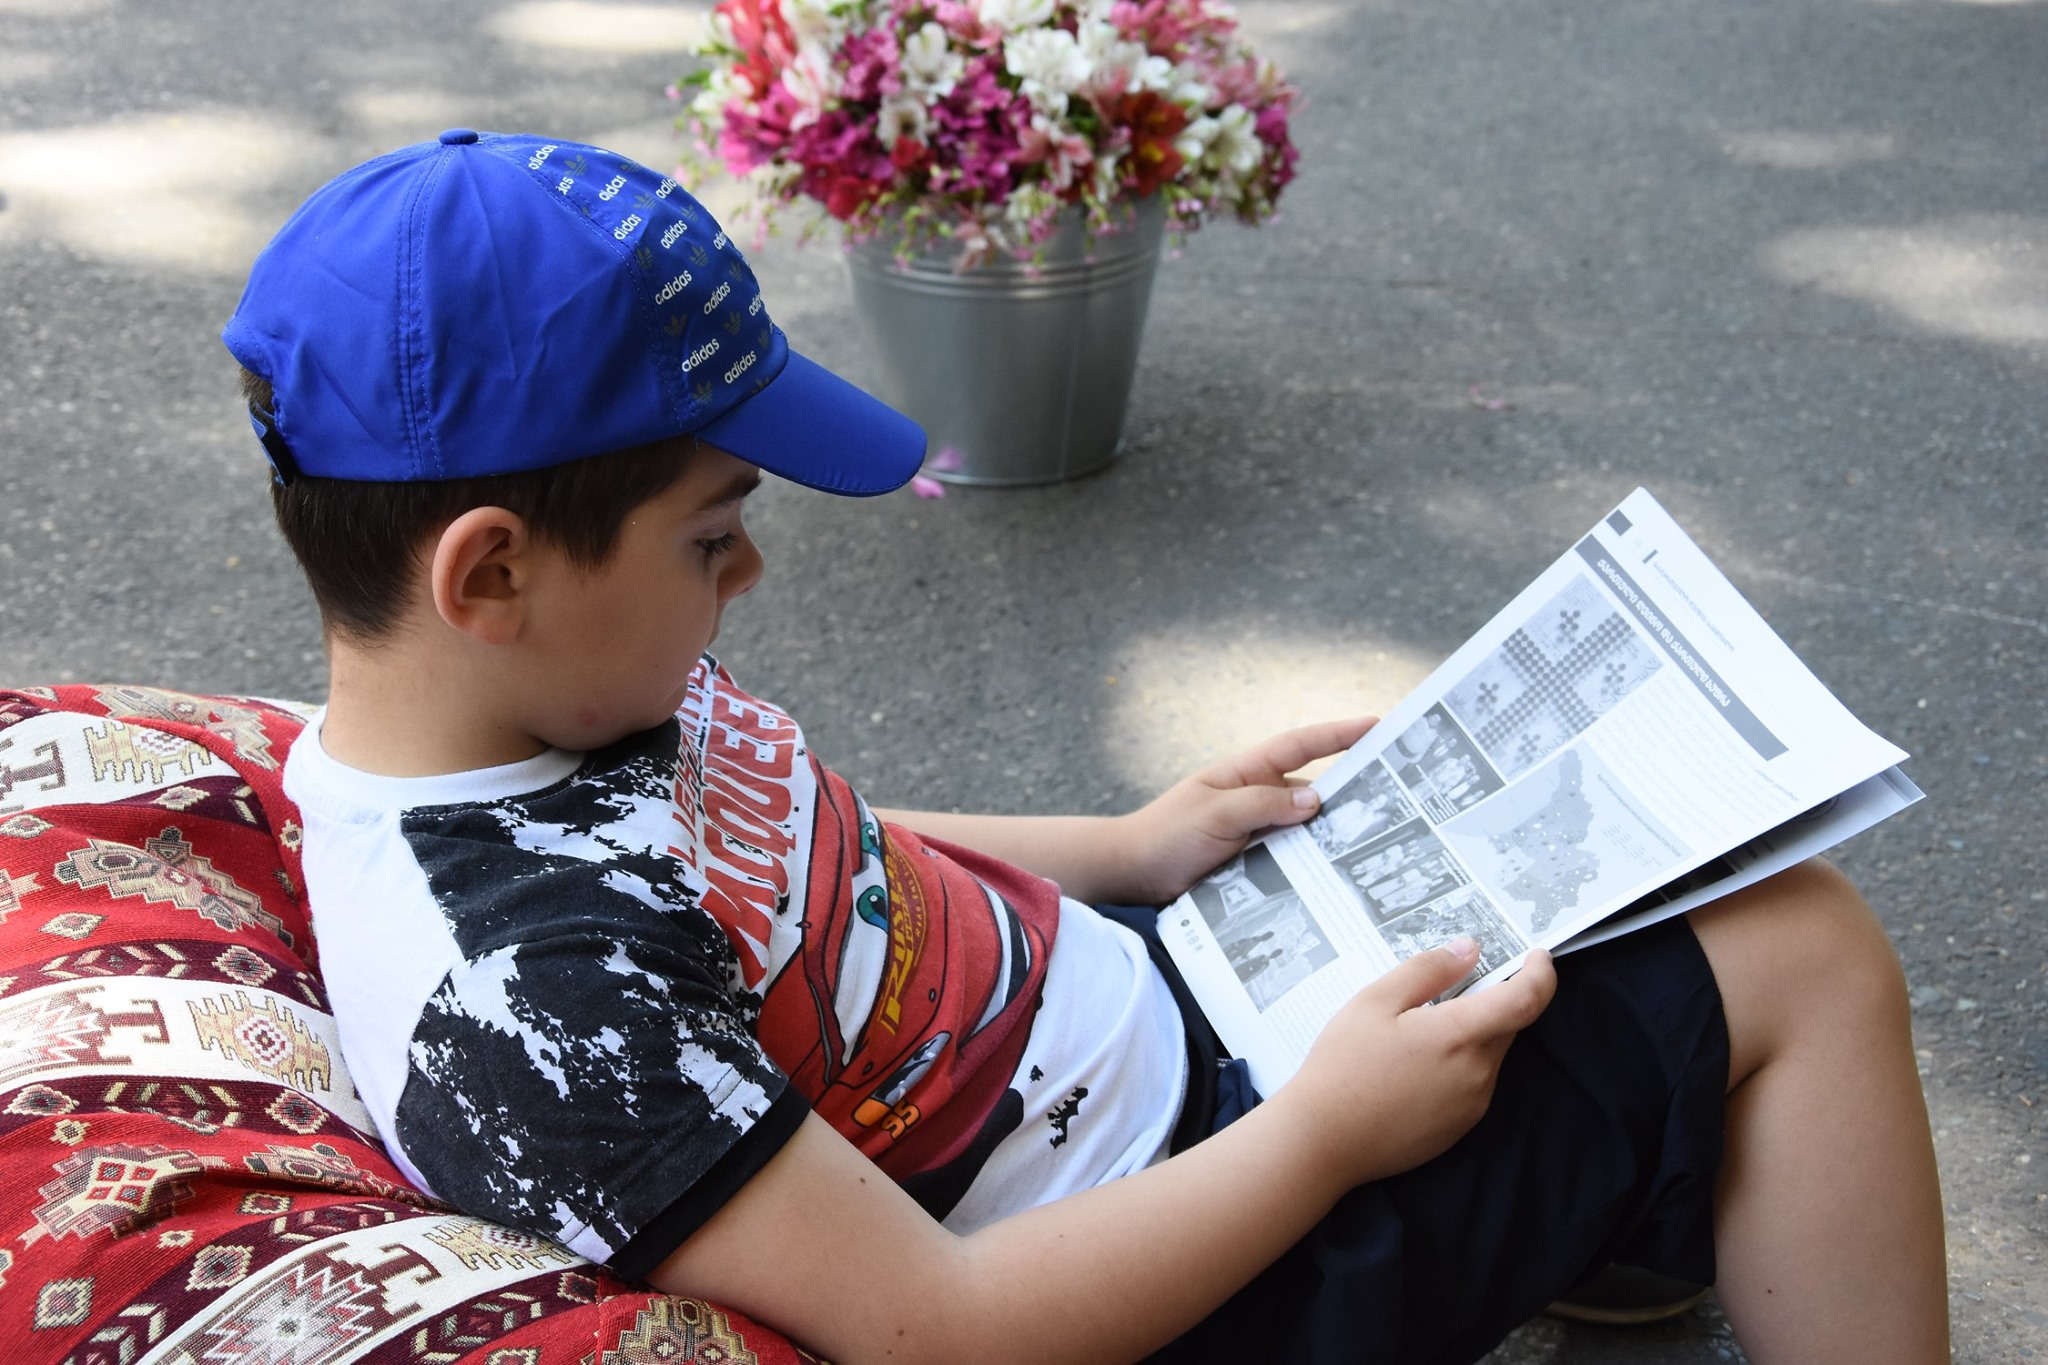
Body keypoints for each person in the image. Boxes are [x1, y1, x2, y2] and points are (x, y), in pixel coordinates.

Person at [229, 130, 1949, 1364]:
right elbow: (951, 1327)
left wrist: (1129, 843)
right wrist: (1327, 1137)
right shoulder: (527, 1005)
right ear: (491, 574)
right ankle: (1662, 1154)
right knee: (1795, 942)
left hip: (1139, 1031)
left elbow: (818, 851)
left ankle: (1647, 1186)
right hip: (1196, 1248)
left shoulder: (545, 701)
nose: (747, 572)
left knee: (1591, 869)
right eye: (713, 533)